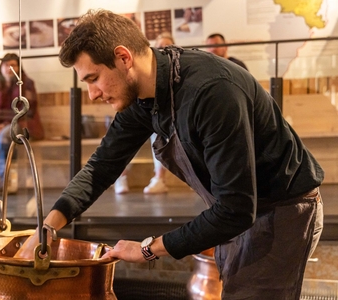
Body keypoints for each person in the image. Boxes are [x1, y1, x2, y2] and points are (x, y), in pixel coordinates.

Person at [17, 10, 324, 299]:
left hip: (282, 210)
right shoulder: (143, 97)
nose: (93, 94)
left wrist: (149, 248)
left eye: (93, 78)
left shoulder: (211, 92)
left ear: (123, 58)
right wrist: (46, 229)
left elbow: (236, 210)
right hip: (240, 211)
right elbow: (101, 167)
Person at [0, 53, 44, 195]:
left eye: (13, 65)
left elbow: (27, 109)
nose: (9, 68)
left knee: (6, 135)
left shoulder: (26, 84)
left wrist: (5, 124)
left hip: (21, 124)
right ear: (1, 67)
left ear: (19, 67)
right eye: (6, 65)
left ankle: (7, 180)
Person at [115, 32, 174, 194]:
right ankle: (121, 176)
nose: (164, 49)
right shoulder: (141, 71)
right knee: (126, 136)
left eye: (167, 46)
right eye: (160, 46)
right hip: (141, 116)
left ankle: (159, 179)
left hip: (164, 121)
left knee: (160, 135)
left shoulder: (177, 70)